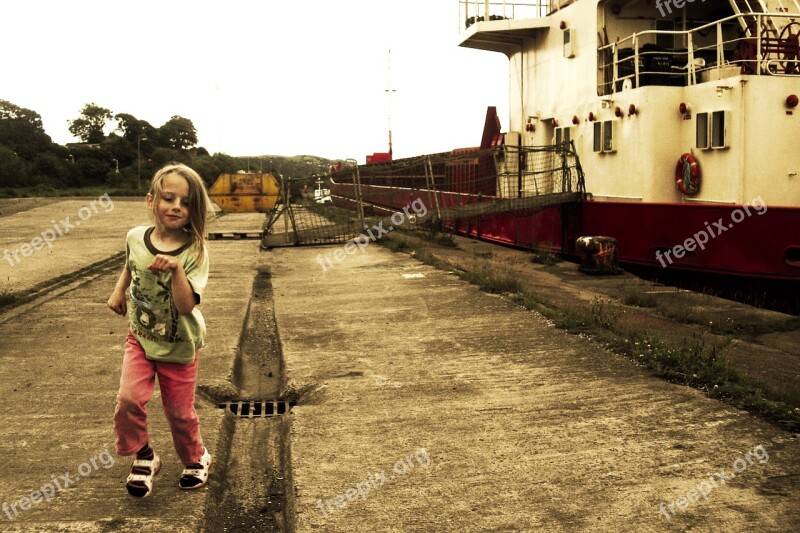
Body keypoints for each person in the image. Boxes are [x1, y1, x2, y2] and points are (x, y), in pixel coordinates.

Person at [107, 163, 214, 498]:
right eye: (168, 198)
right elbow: (130, 265)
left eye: (185, 202)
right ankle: (144, 456)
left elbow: (185, 306)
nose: (176, 207)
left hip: (179, 345)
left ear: (193, 209)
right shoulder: (135, 237)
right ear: (151, 199)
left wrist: (177, 269)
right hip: (140, 338)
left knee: (179, 412)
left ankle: (197, 458)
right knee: (128, 400)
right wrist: (118, 291)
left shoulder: (195, 250)